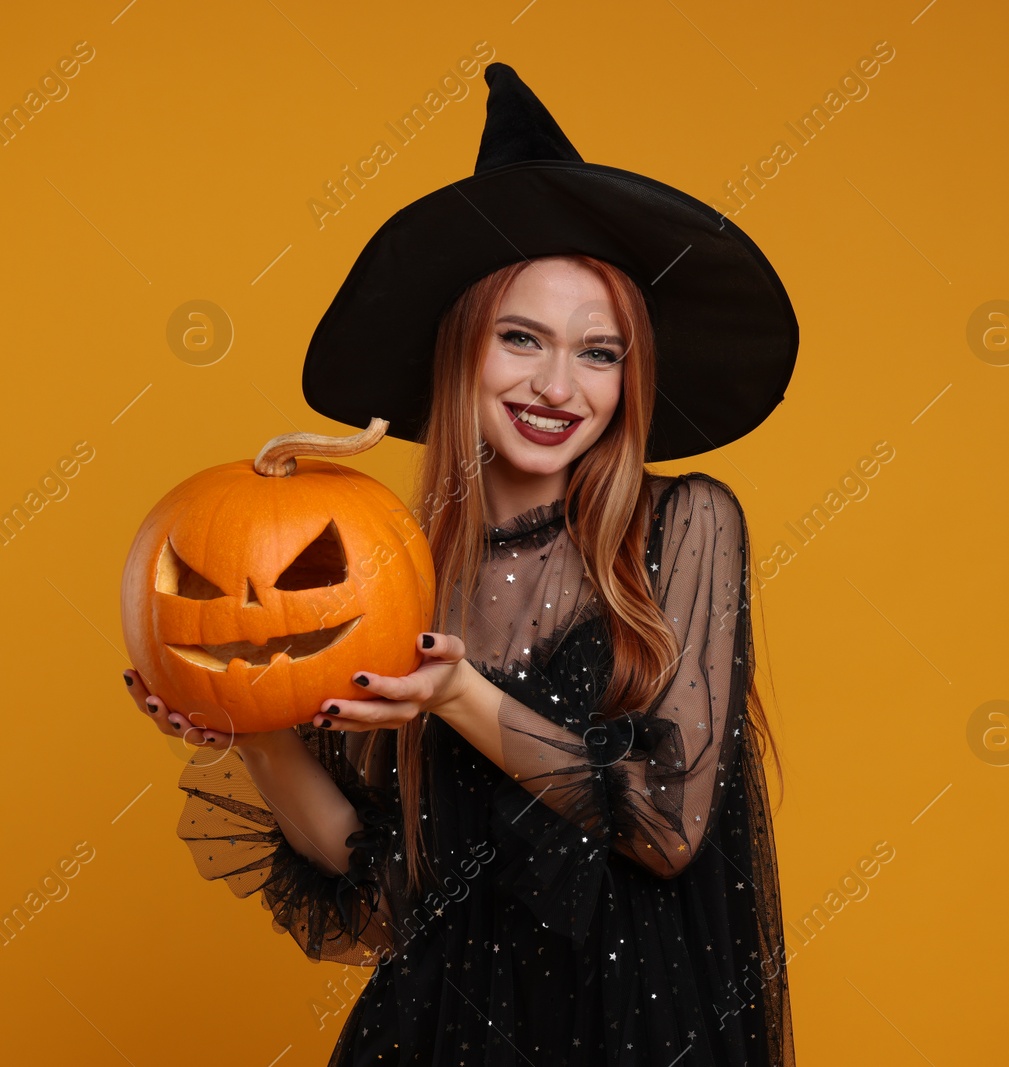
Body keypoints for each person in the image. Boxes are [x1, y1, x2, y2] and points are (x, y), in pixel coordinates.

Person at [122, 62, 799, 1066]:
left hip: (638, 1033)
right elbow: (388, 887)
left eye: (599, 351)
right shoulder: (387, 570)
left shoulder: (685, 526)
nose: (557, 384)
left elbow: (663, 821)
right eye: (519, 338)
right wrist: (254, 728)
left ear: (632, 375)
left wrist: (455, 692)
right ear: (460, 350)